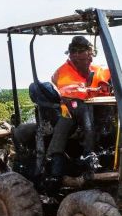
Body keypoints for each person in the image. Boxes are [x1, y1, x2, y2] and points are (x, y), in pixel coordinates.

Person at [46, 35, 111, 179]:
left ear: (91, 53)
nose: (79, 56)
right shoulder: (63, 72)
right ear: (71, 55)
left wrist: (107, 87)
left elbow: (111, 84)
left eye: (84, 52)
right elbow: (70, 92)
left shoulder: (101, 70)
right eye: (75, 52)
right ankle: (60, 165)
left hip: (99, 111)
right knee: (72, 118)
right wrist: (92, 91)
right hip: (71, 111)